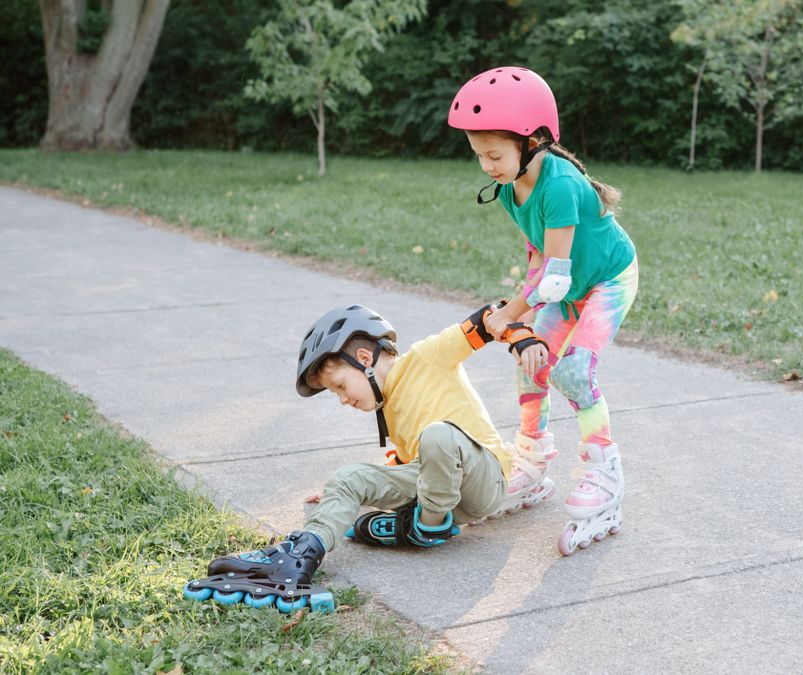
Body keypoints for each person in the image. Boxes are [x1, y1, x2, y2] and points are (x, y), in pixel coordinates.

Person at [183, 303, 549, 612]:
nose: (342, 398)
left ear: (363, 358)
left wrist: (522, 337)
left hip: (483, 477)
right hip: (436, 484)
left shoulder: (426, 357)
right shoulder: (389, 410)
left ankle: (424, 526)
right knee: (348, 477)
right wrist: (344, 495)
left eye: (340, 386)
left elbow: (489, 319)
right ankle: (299, 559)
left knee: (438, 435)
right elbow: (411, 468)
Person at [447, 66, 639, 555]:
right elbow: (539, 254)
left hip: (606, 281)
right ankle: (531, 462)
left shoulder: (559, 185)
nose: (487, 165)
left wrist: (511, 312)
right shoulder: (512, 187)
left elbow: (554, 277)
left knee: (574, 371)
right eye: (479, 156)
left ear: (532, 141)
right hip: (564, 284)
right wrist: (521, 321)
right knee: (532, 362)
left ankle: (603, 470)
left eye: (493, 154)